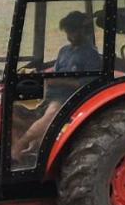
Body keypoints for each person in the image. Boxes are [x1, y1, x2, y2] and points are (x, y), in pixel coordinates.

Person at [14, 11, 103, 159]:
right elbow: (55, 72)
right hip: (50, 92)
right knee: (13, 110)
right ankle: (35, 143)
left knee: (52, 113)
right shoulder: (64, 51)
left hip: (68, 97)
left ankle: (21, 144)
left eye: (72, 31)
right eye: (68, 32)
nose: (70, 36)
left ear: (83, 30)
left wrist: (57, 81)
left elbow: (86, 84)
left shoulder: (90, 55)